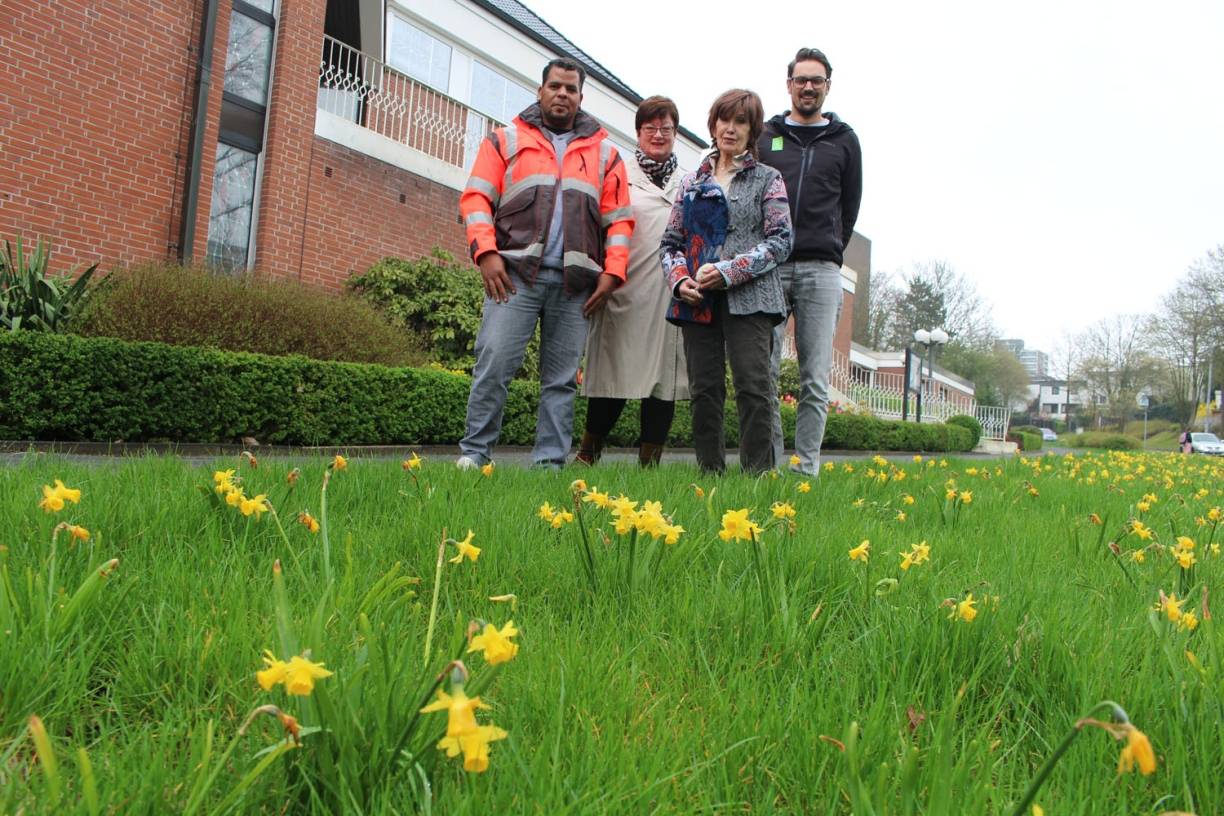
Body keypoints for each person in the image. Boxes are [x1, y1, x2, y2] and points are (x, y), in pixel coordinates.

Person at [456, 58, 633, 470]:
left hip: (576, 286)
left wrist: (613, 272)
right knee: (494, 365)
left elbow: (619, 219)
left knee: (561, 381)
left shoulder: (606, 153)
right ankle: (473, 455)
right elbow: (476, 199)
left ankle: (549, 465)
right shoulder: (505, 140)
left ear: (580, 97)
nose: (562, 94)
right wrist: (485, 253)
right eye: (555, 86)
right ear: (540, 91)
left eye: (570, 89)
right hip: (512, 277)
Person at [660, 89, 793, 474]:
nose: (730, 129)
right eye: (724, 119)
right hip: (697, 300)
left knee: (754, 388)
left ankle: (757, 477)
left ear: (752, 130)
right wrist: (679, 280)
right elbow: (670, 243)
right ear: (713, 124)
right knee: (704, 390)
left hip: (752, 299)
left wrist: (728, 271)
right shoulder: (691, 183)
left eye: (740, 122)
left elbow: (781, 241)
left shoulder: (769, 179)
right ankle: (709, 476)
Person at [760, 47, 863, 475]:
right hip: (770, 265)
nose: (808, 87)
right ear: (788, 85)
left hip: (821, 270)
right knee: (762, 372)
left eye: (816, 80)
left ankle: (805, 471)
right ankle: (766, 464)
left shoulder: (844, 141)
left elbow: (851, 205)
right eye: (801, 79)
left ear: (827, 87)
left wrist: (832, 245)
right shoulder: (766, 136)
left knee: (814, 377)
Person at [577, 96, 689, 467]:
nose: (658, 135)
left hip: (669, 294)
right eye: (650, 128)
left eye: (667, 129)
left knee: (663, 380)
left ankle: (649, 464)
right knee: (614, 373)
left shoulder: (688, 182)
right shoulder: (618, 173)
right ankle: (588, 454)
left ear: (675, 133)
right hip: (623, 289)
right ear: (638, 132)